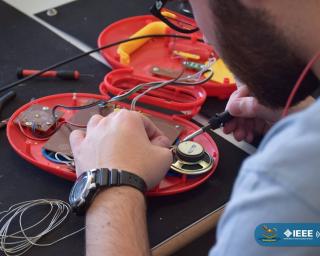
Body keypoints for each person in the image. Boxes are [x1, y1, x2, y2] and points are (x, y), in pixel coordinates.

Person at [69, 0, 320, 255]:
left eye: (189, 4)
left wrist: (111, 185)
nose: (201, 32)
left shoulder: (289, 187)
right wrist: (303, 116)